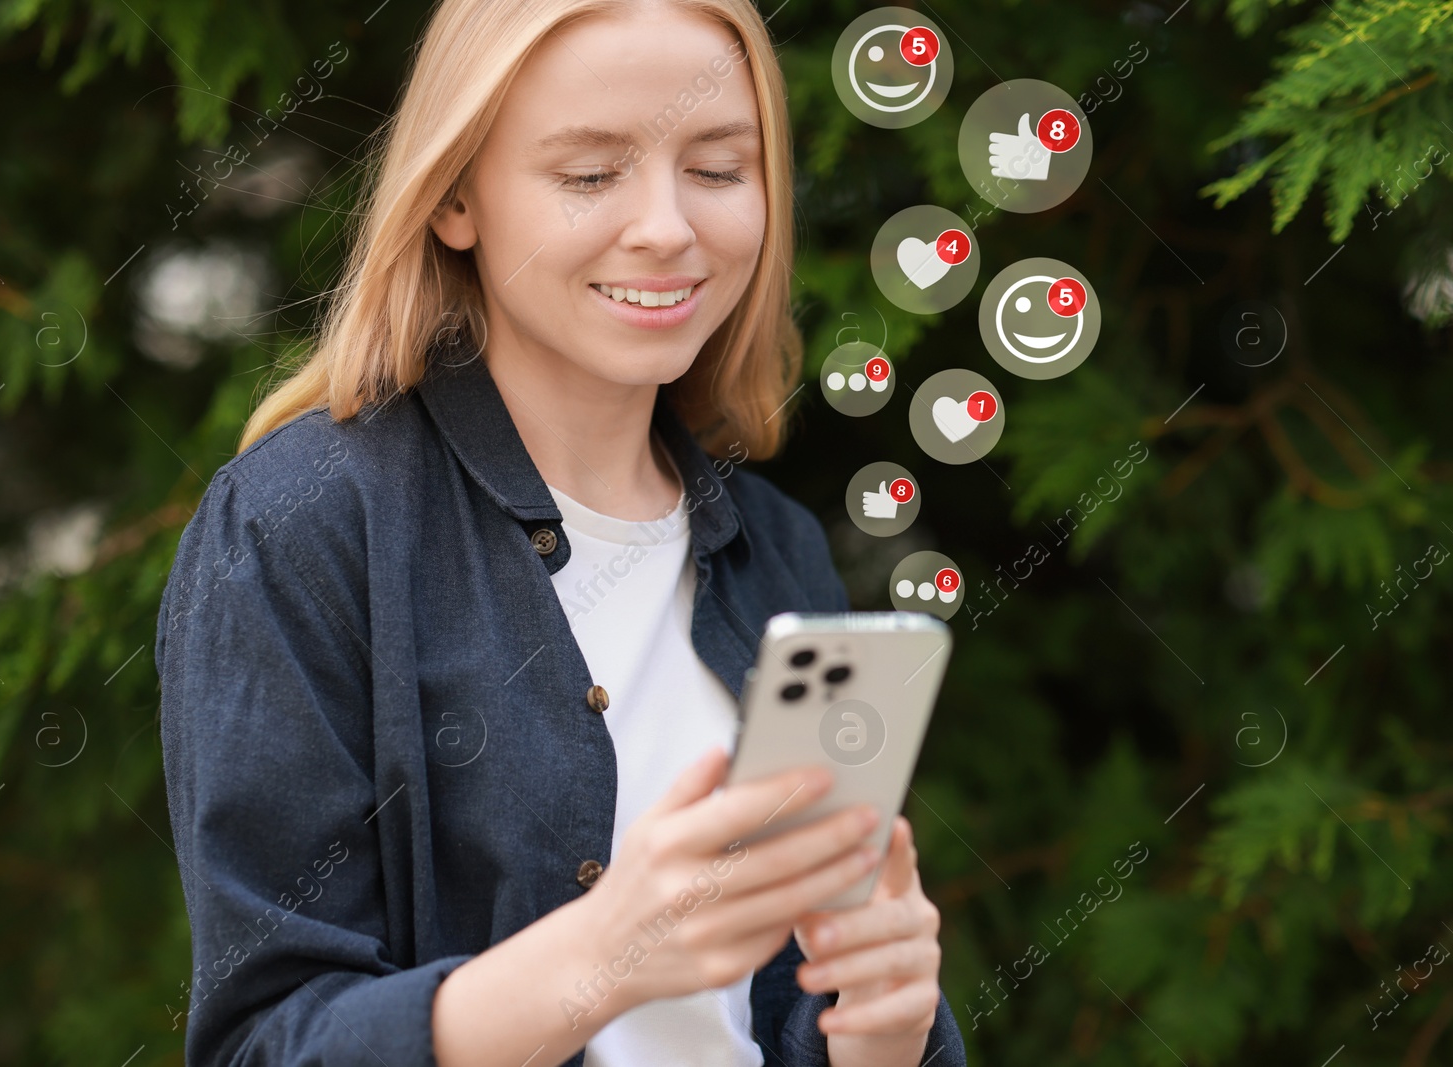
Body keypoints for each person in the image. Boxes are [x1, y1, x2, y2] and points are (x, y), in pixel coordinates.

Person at [153, 1, 967, 1064]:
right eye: (589, 176)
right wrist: (599, 959)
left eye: (719, 169)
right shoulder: (300, 524)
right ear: (453, 197)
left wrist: (886, 1025)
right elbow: (262, 1043)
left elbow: (794, 1018)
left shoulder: (777, 549)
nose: (667, 226)